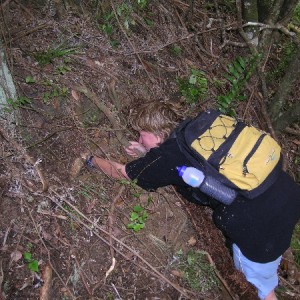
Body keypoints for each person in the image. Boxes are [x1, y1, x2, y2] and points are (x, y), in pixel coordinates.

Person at [85, 101, 300, 300]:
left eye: (143, 135)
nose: (140, 139)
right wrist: (148, 151)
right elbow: (192, 159)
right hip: (285, 192)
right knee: (270, 259)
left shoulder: (169, 156)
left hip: (261, 223)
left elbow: (123, 173)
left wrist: (92, 160)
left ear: (159, 135)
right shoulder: (199, 128)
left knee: (259, 285)